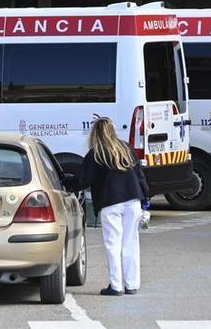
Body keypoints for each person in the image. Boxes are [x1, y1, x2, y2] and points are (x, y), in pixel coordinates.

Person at [78, 117, 149, 296]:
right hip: (133, 201)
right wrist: (145, 196)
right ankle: (132, 284)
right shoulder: (126, 148)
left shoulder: (96, 153)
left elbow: (83, 180)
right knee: (130, 242)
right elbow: (140, 175)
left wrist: (65, 183)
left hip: (110, 203)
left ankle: (115, 285)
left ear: (96, 133)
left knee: (113, 244)